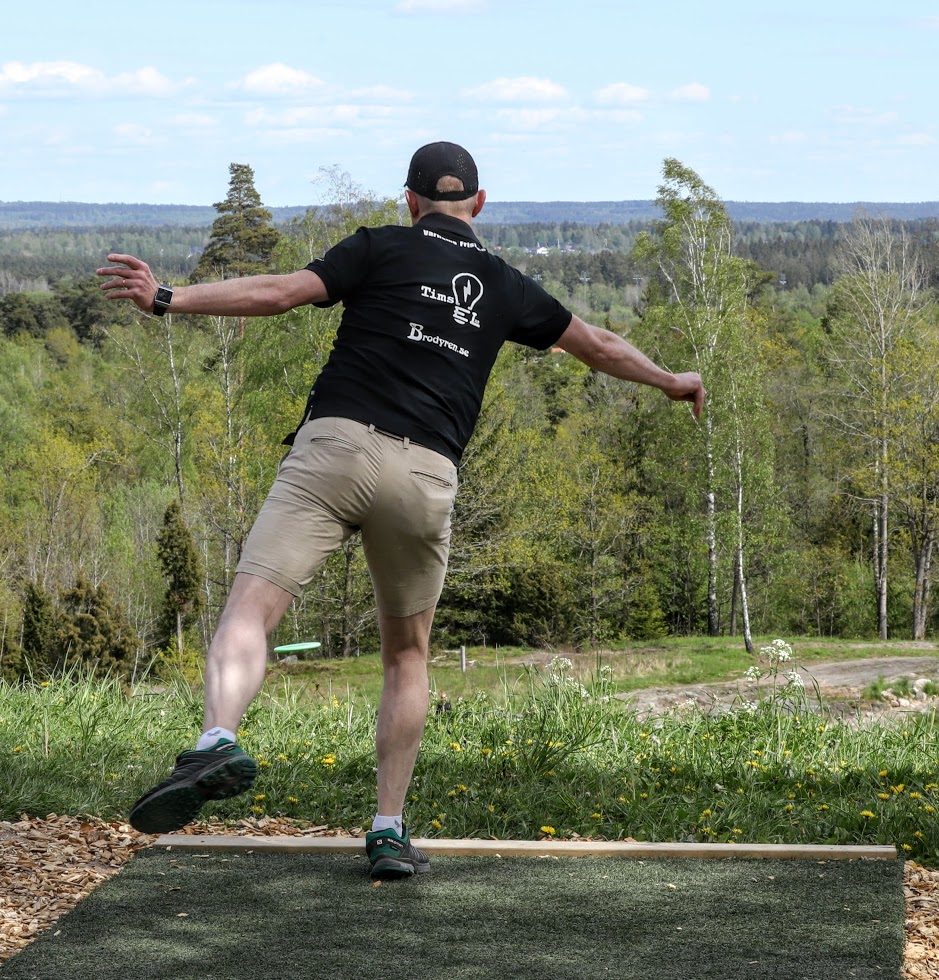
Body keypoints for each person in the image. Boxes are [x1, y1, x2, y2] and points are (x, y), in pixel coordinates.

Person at [97, 141, 703, 879]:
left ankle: (218, 739)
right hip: (424, 475)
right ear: (479, 205)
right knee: (406, 654)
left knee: (251, 612)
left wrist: (168, 298)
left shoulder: (378, 249)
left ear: (410, 202)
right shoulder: (506, 286)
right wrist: (672, 380)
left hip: (336, 448)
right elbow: (599, 346)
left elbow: (279, 294)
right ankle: (387, 830)